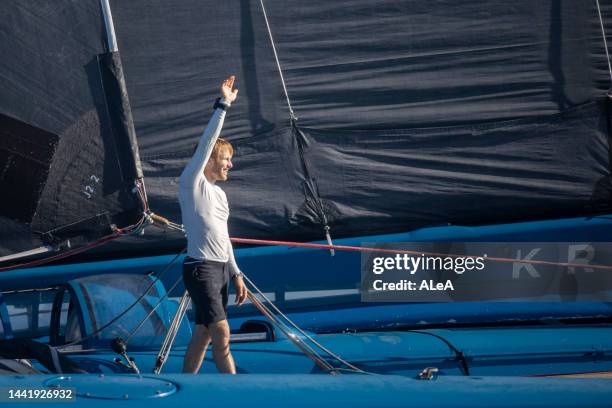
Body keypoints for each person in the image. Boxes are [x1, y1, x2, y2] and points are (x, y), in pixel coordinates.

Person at [179, 76, 247, 374]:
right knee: (222, 332)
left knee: (204, 333)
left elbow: (224, 237)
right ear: (208, 161)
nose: (230, 164)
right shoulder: (192, 183)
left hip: (220, 269)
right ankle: (233, 392)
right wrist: (224, 105)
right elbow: (207, 142)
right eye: (226, 158)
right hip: (201, 267)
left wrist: (236, 274)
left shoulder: (220, 195)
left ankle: (187, 385)